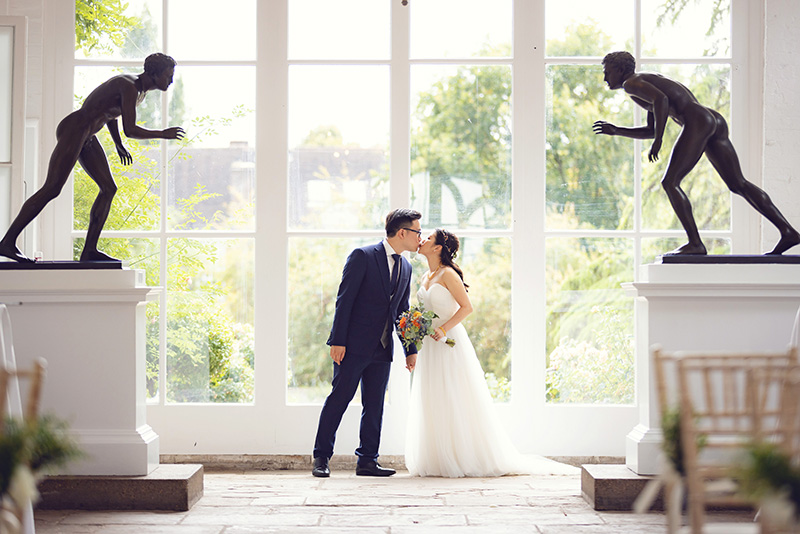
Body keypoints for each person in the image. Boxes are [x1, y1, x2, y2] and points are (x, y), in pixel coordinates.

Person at [404, 228, 577, 477]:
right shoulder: (425, 276)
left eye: (428, 238)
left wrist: (443, 329)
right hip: (430, 344)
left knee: (454, 394)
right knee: (433, 395)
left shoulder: (448, 274)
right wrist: (417, 326)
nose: (422, 240)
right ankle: (437, 458)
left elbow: (467, 307)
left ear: (438, 247)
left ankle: (462, 456)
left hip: (448, 340)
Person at [593, 50, 800, 256]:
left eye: (607, 72)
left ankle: (695, 244)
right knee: (738, 183)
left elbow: (661, 100)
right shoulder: (642, 82)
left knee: (670, 183)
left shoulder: (631, 83)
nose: (605, 78)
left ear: (621, 70)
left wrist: (659, 140)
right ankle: (788, 232)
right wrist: (617, 130)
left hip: (698, 121)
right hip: (712, 119)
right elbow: (651, 130)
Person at [0, 53, 185, 263]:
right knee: (52, 188)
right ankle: (7, 243)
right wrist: (163, 134)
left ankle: (89, 250)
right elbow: (130, 129)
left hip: (87, 134)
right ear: (154, 73)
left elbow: (112, 115)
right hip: (76, 128)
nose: (171, 80)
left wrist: (118, 144)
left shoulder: (138, 90)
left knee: (109, 188)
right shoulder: (130, 86)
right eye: (168, 75)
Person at [312, 208, 422, 477]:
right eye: (418, 232)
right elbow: (345, 300)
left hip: (383, 348)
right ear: (402, 232)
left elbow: (402, 311)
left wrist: (410, 349)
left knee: (375, 405)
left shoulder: (406, 267)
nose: (421, 237)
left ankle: (367, 461)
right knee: (339, 399)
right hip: (352, 346)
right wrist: (338, 340)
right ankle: (321, 458)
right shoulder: (363, 256)